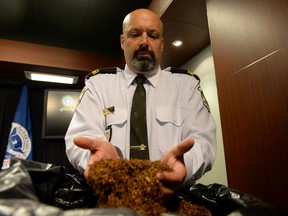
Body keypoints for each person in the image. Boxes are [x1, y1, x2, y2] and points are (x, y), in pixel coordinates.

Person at [65, 8, 216, 196]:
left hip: (172, 199)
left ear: (161, 44)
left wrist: (185, 164)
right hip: (112, 198)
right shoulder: (98, 84)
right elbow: (81, 136)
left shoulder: (187, 86)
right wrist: (97, 163)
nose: (144, 42)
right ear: (122, 41)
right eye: (135, 34)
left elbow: (204, 141)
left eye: (152, 36)